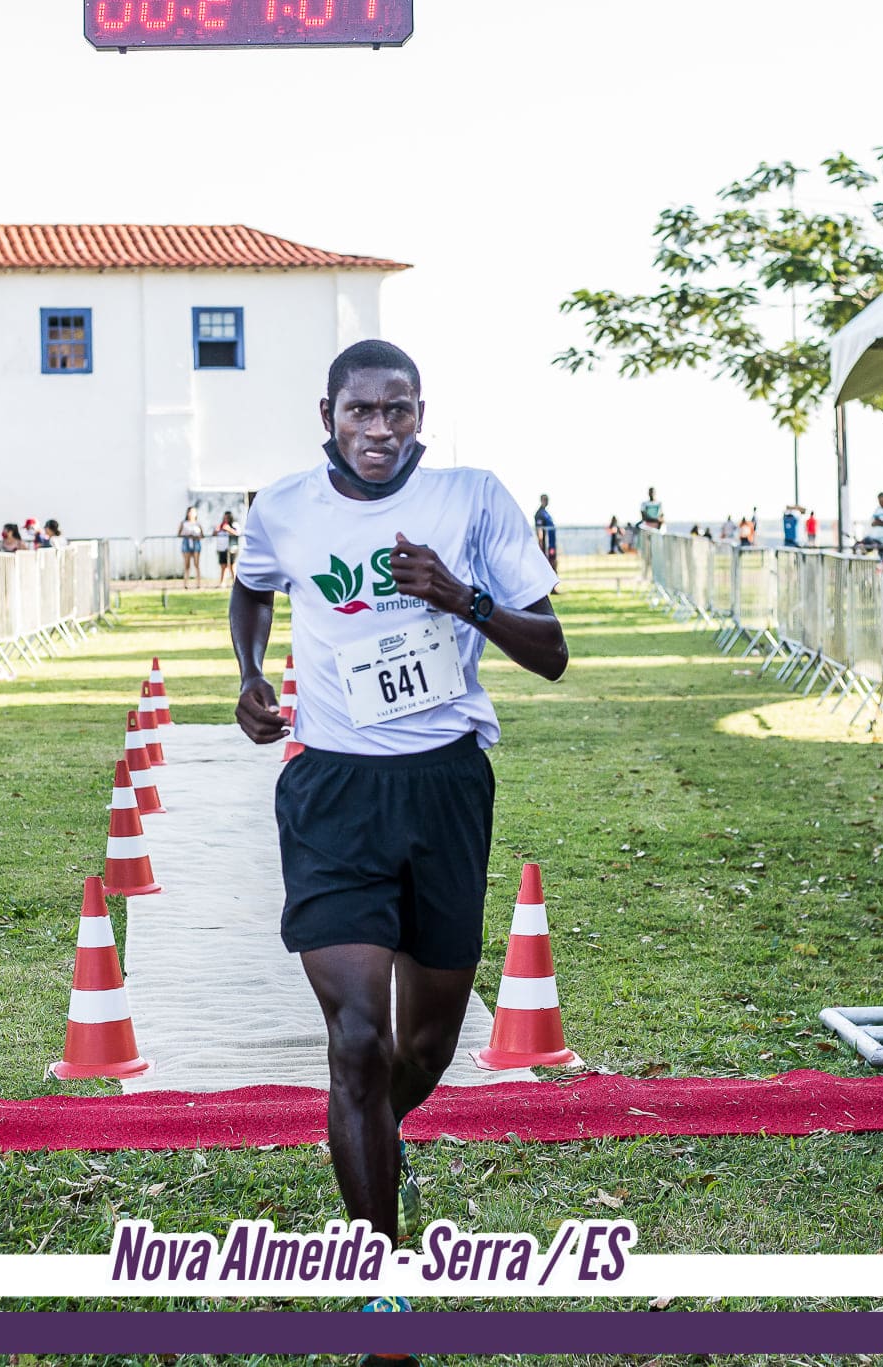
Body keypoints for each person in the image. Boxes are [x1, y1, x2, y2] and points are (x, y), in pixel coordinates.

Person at [228, 340, 567, 1268]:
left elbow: (552, 650)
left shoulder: (472, 498)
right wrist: (251, 673)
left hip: (445, 785)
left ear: (421, 413)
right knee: (359, 1038)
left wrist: (463, 599)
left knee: (423, 1044)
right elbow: (252, 586)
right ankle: (379, 1266)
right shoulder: (286, 506)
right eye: (360, 412)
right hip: (333, 788)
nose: (379, 430)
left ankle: (375, 1130)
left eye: (398, 411)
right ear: (328, 414)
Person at [177, 505, 206, 589]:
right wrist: (187, 535)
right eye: (190, 512)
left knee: (196, 564)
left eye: (193, 512)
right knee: (187, 565)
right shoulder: (183, 523)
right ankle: (185, 584)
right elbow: (178, 534)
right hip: (186, 543)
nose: (191, 513)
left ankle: (198, 584)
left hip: (196, 542)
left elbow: (202, 535)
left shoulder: (198, 523)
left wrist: (196, 536)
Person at [533, 494, 559, 578]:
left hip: (551, 544)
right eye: (545, 499)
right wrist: (541, 543)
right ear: (541, 500)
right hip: (546, 545)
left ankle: (554, 585)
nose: (547, 501)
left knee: (553, 562)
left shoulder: (546, 513)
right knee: (547, 564)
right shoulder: (539, 514)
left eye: (547, 499)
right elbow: (539, 529)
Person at [214, 510, 240, 587]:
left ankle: (235, 583)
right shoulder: (221, 525)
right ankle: (222, 583)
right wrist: (217, 530)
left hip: (232, 548)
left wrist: (228, 529)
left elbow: (237, 533)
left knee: (232, 565)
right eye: (224, 517)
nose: (225, 519)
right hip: (222, 548)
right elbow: (214, 534)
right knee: (223, 566)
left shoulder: (235, 525)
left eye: (227, 518)